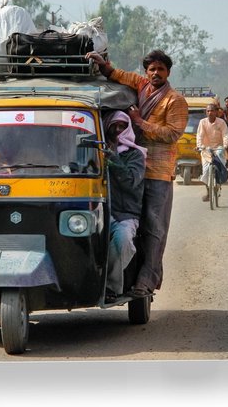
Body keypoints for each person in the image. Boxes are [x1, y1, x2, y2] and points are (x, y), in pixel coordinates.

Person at [85, 49, 188, 297]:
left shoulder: (175, 100)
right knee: (126, 224)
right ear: (146, 72)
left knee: (153, 229)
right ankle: (122, 278)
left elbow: (173, 133)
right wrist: (103, 65)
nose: (155, 73)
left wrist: (139, 122)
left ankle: (146, 281)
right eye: (151, 69)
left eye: (160, 69)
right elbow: (119, 75)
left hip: (157, 172)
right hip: (131, 165)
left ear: (168, 73)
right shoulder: (141, 85)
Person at [102, 111, 147, 302]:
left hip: (125, 215)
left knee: (123, 241)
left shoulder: (135, 155)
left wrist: (113, 159)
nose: (118, 130)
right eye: (114, 126)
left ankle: (109, 286)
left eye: (122, 126)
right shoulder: (97, 151)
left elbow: (130, 181)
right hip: (99, 212)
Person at [196, 104, 228, 201]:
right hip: (206, 149)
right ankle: (208, 192)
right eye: (208, 111)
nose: (210, 113)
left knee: (220, 166)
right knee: (206, 171)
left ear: (216, 112)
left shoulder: (221, 122)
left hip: (219, 148)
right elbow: (199, 136)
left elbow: (225, 135)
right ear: (206, 112)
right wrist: (199, 146)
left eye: (212, 111)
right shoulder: (202, 122)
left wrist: (225, 145)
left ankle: (218, 183)